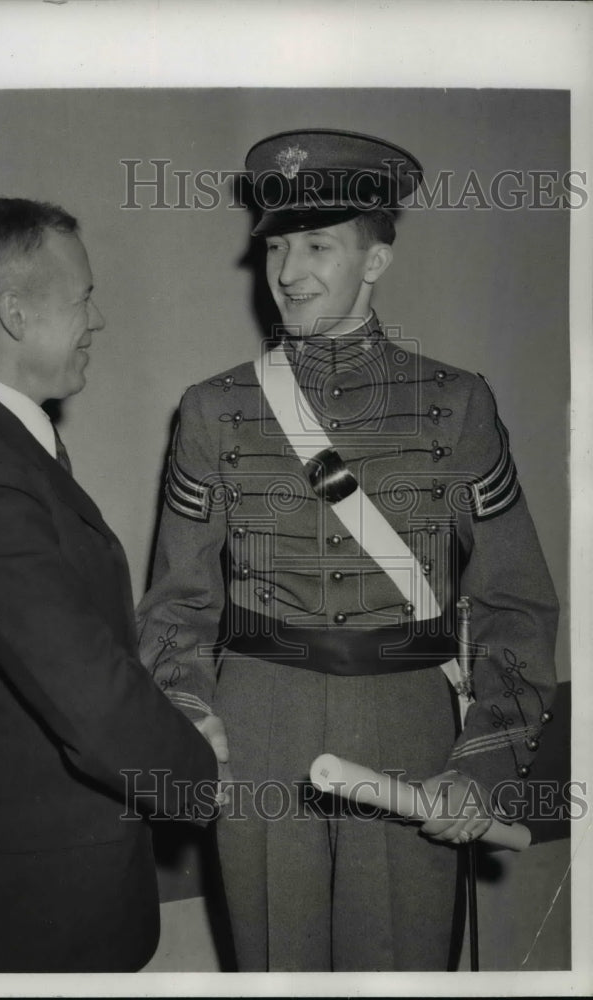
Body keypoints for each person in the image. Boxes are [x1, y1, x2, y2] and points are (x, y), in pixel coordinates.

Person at [136, 130, 559, 971]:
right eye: (278, 247)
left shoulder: (457, 403)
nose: (289, 273)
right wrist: (191, 720)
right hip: (260, 718)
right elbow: (178, 608)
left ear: (375, 261)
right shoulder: (212, 410)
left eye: (319, 246)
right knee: (272, 967)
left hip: (408, 722)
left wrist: (482, 764)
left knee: (398, 969)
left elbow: (515, 603)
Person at [0, 198, 226, 973]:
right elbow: (89, 695)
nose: (96, 319)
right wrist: (204, 780)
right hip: (22, 917)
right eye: (83, 298)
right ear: (13, 314)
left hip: (31, 894)